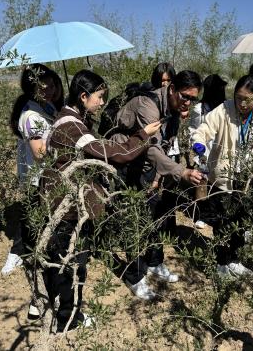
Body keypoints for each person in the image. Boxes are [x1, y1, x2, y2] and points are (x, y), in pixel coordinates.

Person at [41, 69, 161, 331]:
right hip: (69, 208)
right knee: (72, 262)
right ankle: (67, 320)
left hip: (69, 204)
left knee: (70, 258)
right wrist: (142, 135)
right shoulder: (72, 126)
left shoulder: (73, 119)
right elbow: (114, 154)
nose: (102, 102)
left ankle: (61, 311)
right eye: (99, 97)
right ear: (83, 96)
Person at [110, 70, 204, 299]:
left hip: (146, 166)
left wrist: (157, 176)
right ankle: (135, 276)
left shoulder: (172, 109)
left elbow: (164, 146)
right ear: (171, 89)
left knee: (157, 214)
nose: (188, 102)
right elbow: (151, 148)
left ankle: (154, 262)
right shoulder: (147, 105)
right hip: (125, 164)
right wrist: (181, 171)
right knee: (132, 220)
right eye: (185, 96)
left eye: (193, 99)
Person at [191, 75, 253, 278]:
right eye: (238, 98)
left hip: (248, 179)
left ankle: (234, 260)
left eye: (248, 99)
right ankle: (221, 264)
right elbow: (205, 128)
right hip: (223, 179)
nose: (242, 104)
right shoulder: (225, 109)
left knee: (241, 223)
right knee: (221, 223)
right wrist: (198, 141)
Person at [0, 64, 60, 319]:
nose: (48, 89)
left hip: (48, 179)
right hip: (37, 180)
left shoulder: (48, 109)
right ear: (32, 87)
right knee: (37, 229)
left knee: (40, 227)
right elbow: (40, 153)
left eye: (51, 83)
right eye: (41, 85)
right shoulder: (31, 116)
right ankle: (22, 260)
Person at [188, 74, 227, 229]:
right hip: (204, 153)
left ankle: (215, 214)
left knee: (217, 186)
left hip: (220, 154)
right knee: (203, 184)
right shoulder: (200, 109)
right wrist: (198, 148)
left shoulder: (227, 108)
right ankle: (202, 215)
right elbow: (194, 131)